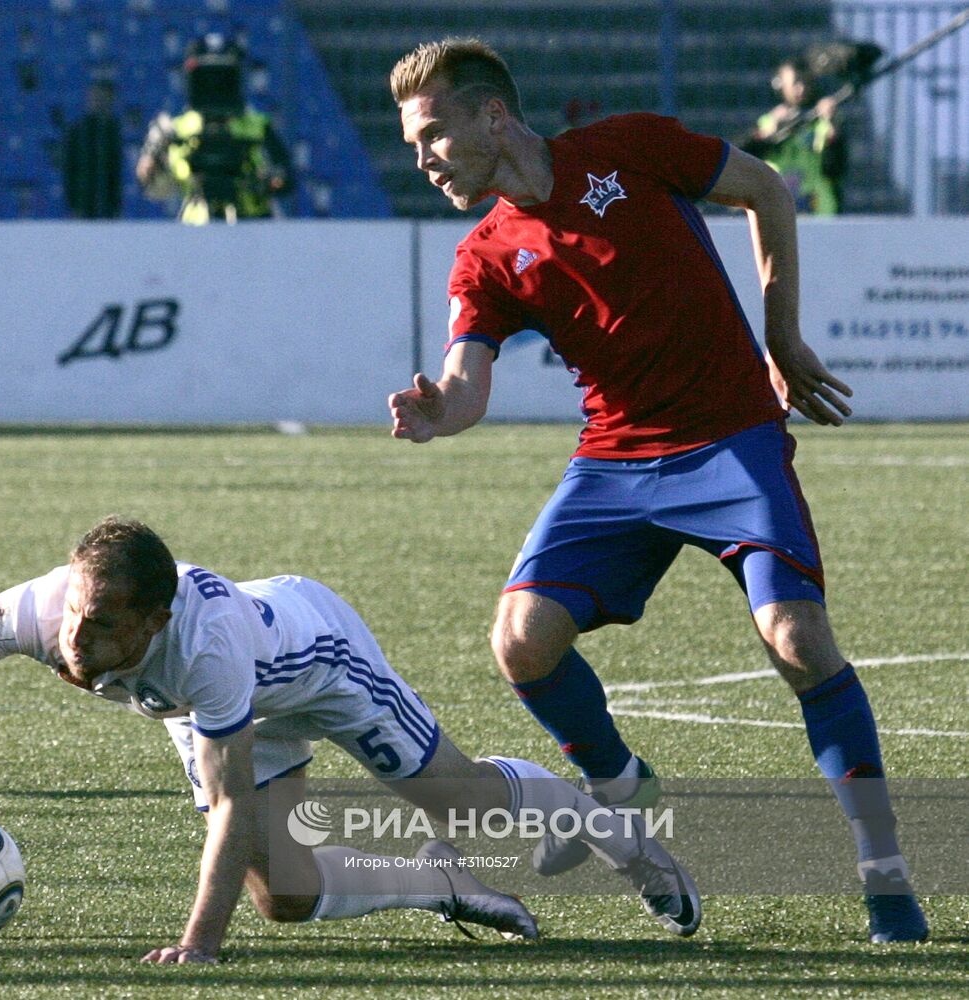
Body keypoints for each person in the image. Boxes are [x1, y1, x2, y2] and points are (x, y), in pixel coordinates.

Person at [385, 38, 926, 944]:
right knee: (520, 642)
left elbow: (765, 188)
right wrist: (441, 410)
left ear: (490, 116)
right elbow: (466, 381)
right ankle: (617, 783)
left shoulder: (628, 146)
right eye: (412, 145)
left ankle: (883, 867)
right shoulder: (483, 253)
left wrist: (781, 338)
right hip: (614, 461)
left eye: (433, 133)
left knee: (796, 639)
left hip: (731, 441)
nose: (424, 158)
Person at [0, 516, 701, 963]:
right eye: (75, 613)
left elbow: (227, 810)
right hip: (215, 709)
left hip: (316, 660)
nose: (76, 640)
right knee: (283, 900)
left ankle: (622, 840)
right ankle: (436, 884)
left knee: (467, 802)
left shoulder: (205, 645)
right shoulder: (38, 612)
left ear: (155, 617)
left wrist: (198, 944)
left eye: (102, 625)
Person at [135, 34, 294, 224]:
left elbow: (287, 180)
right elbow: (154, 189)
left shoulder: (258, 127)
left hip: (253, 228)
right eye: (205, 77)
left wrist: (268, 181)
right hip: (196, 232)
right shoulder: (176, 129)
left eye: (224, 77)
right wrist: (153, 155)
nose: (215, 85)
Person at [744, 56, 847, 215]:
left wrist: (833, 129)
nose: (802, 88)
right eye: (795, 83)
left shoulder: (824, 123)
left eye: (806, 82)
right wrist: (768, 135)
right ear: (780, 86)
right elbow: (741, 158)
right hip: (778, 217)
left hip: (821, 216)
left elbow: (836, 168)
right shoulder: (768, 122)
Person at [63, 80, 124, 219]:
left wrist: (115, 205)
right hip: (83, 202)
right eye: (95, 97)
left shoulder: (113, 129)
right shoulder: (78, 130)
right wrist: (74, 204)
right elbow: (69, 169)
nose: (99, 102)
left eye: (103, 98)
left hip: (107, 204)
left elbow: (115, 170)